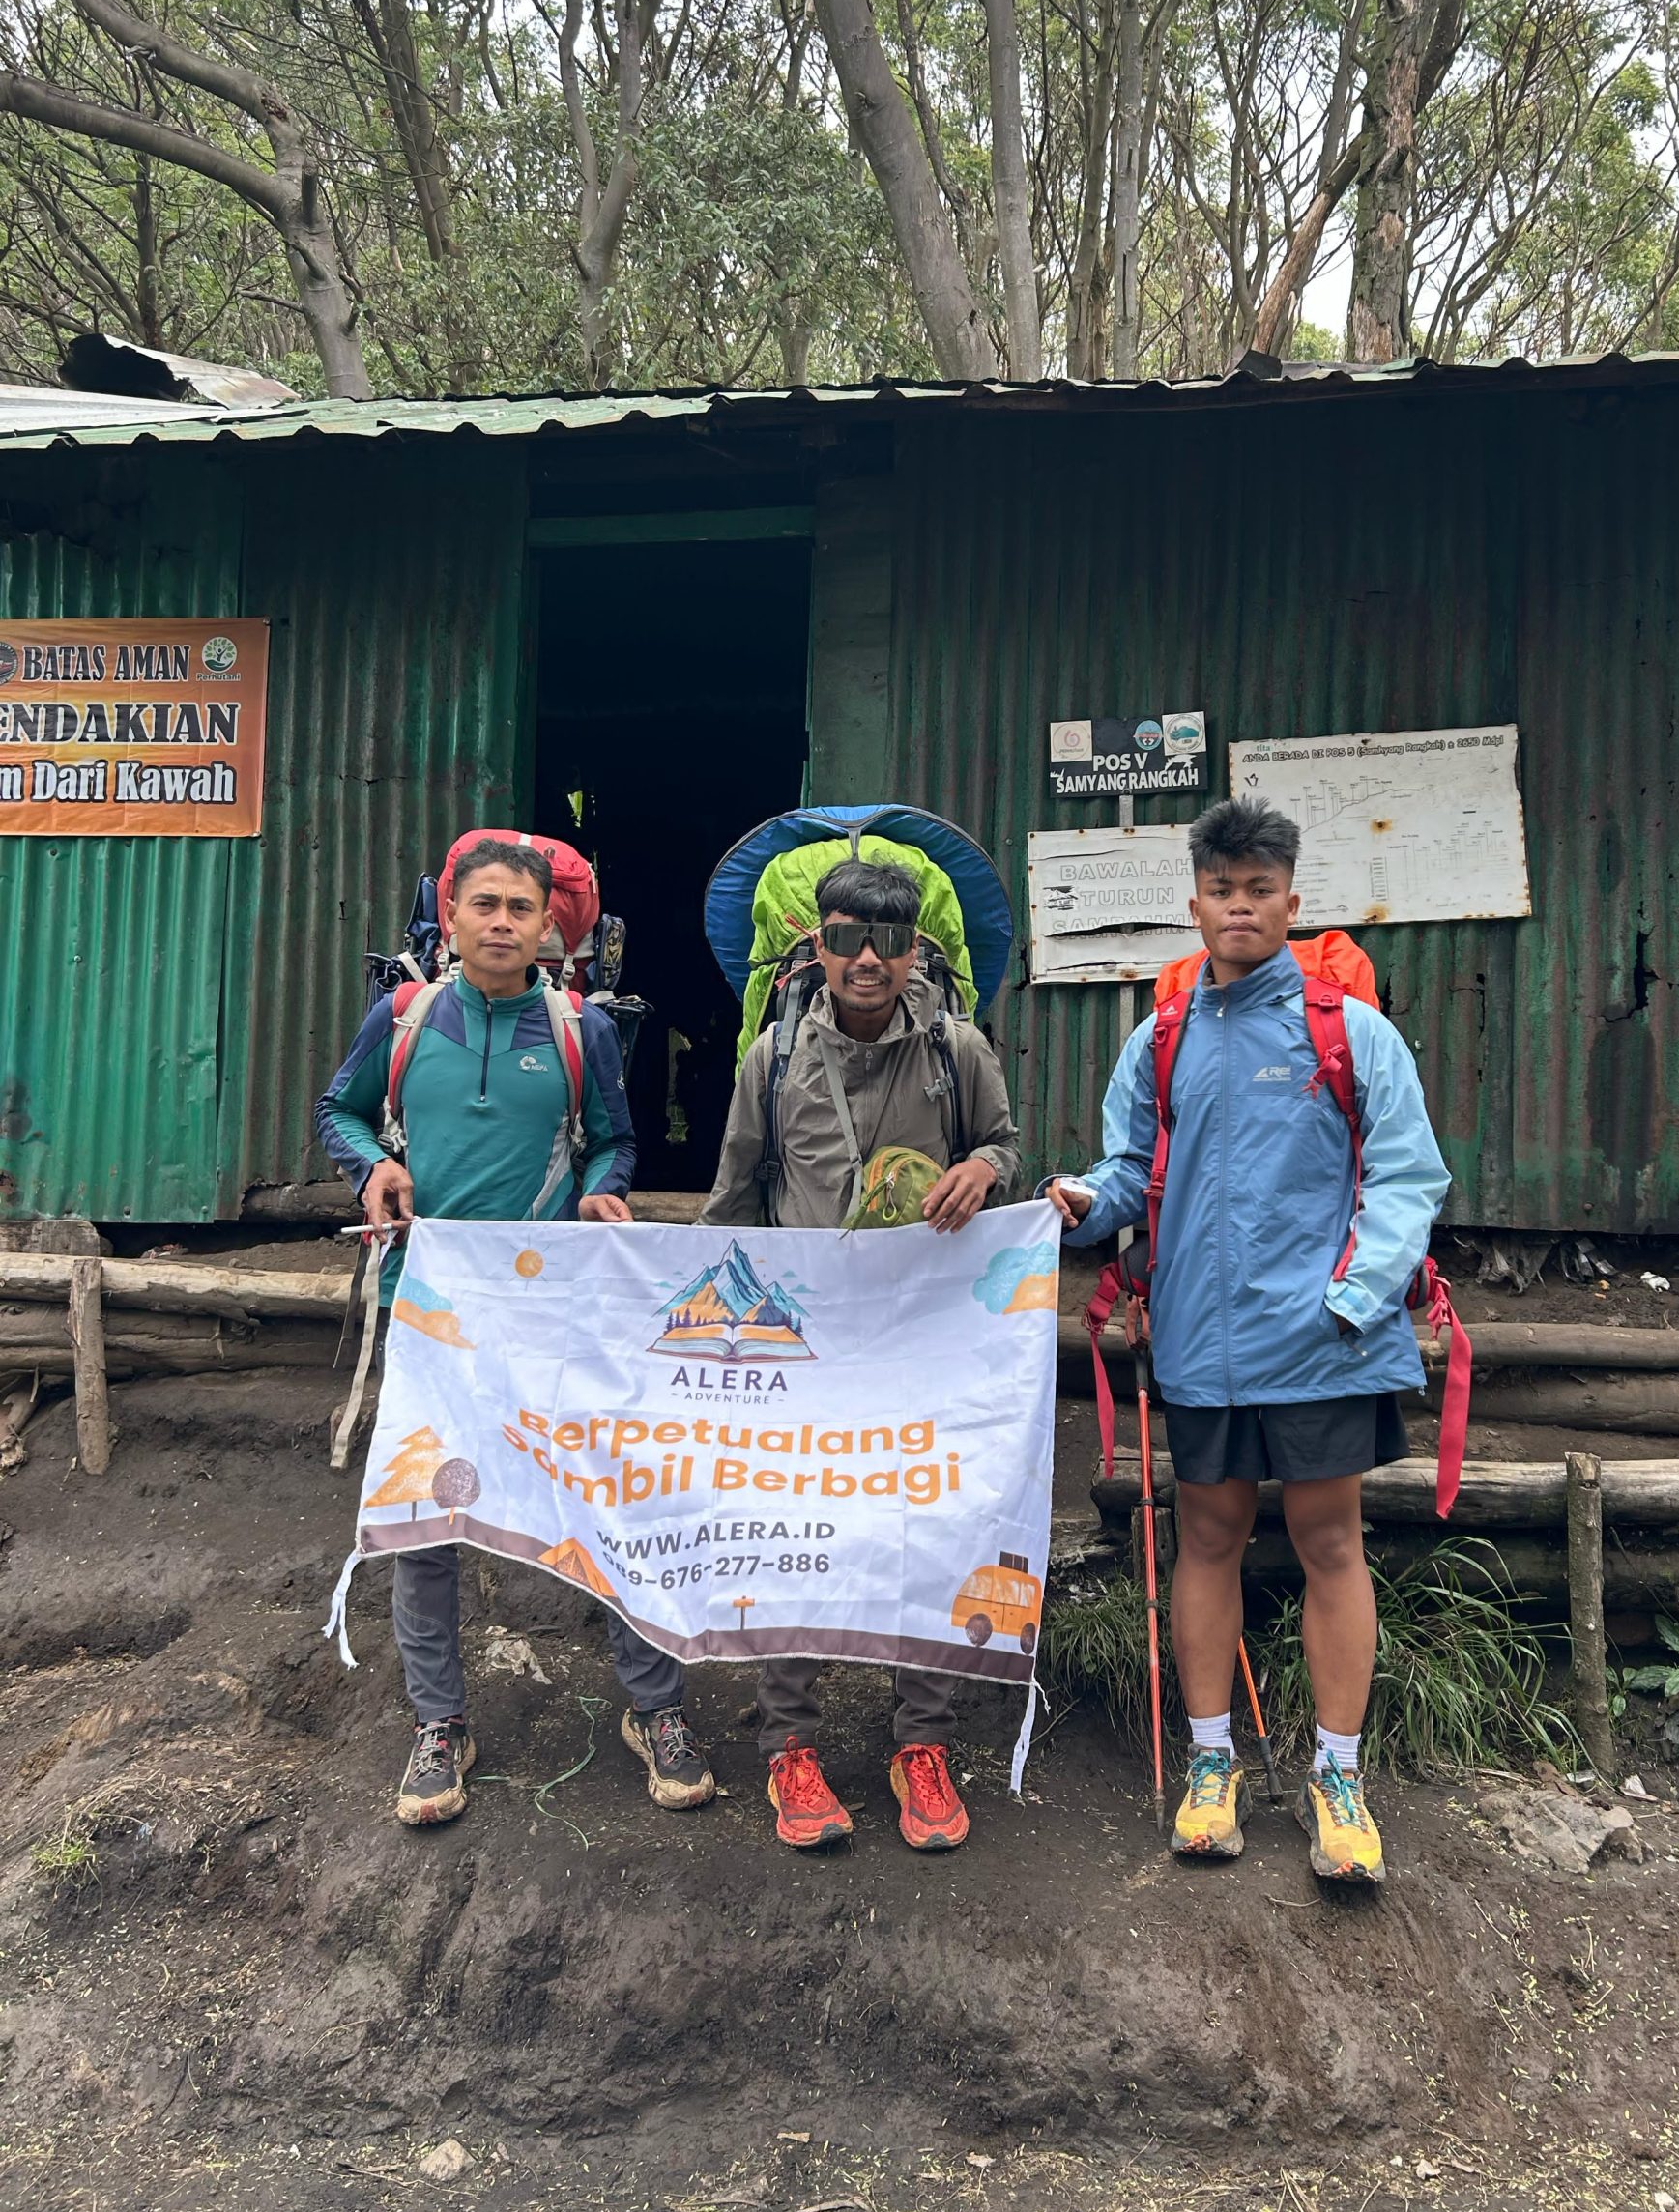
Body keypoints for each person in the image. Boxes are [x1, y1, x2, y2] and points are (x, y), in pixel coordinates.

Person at [1049, 797, 1449, 1882]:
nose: (1240, 905)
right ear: (1196, 904)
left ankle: (1339, 1775)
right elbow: (1128, 1169)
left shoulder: (1350, 1030)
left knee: (1330, 1544)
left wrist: (1354, 1299)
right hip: (1203, 1341)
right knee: (1209, 1539)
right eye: (1223, 889)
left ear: (1291, 901)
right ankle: (1212, 1764)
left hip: (1324, 1339)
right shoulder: (1163, 1034)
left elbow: (1410, 1174)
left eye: (1259, 888)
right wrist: (1080, 1203)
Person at [317, 836, 716, 1829]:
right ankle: (441, 1722)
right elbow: (340, 1110)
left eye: (521, 907)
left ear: (550, 927)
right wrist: (372, 1170)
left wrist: (599, 1193)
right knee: (427, 1522)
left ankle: (656, 1711)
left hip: (559, 1313)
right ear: (451, 913)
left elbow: (620, 1139)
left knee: (609, 1500)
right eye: (484, 903)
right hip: (430, 1309)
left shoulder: (582, 1028)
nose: (502, 921)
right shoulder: (404, 1019)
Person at [702, 857, 1021, 1854]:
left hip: (926, 1338)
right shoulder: (772, 1060)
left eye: (887, 940)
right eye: (846, 937)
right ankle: (789, 1742)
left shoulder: (956, 1053)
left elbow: (1007, 1148)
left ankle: (920, 1741)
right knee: (797, 1530)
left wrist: (982, 1164)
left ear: (916, 949)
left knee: (922, 1526)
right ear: (817, 946)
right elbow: (733, 1199)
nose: (867, 959)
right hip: (803, 1351)